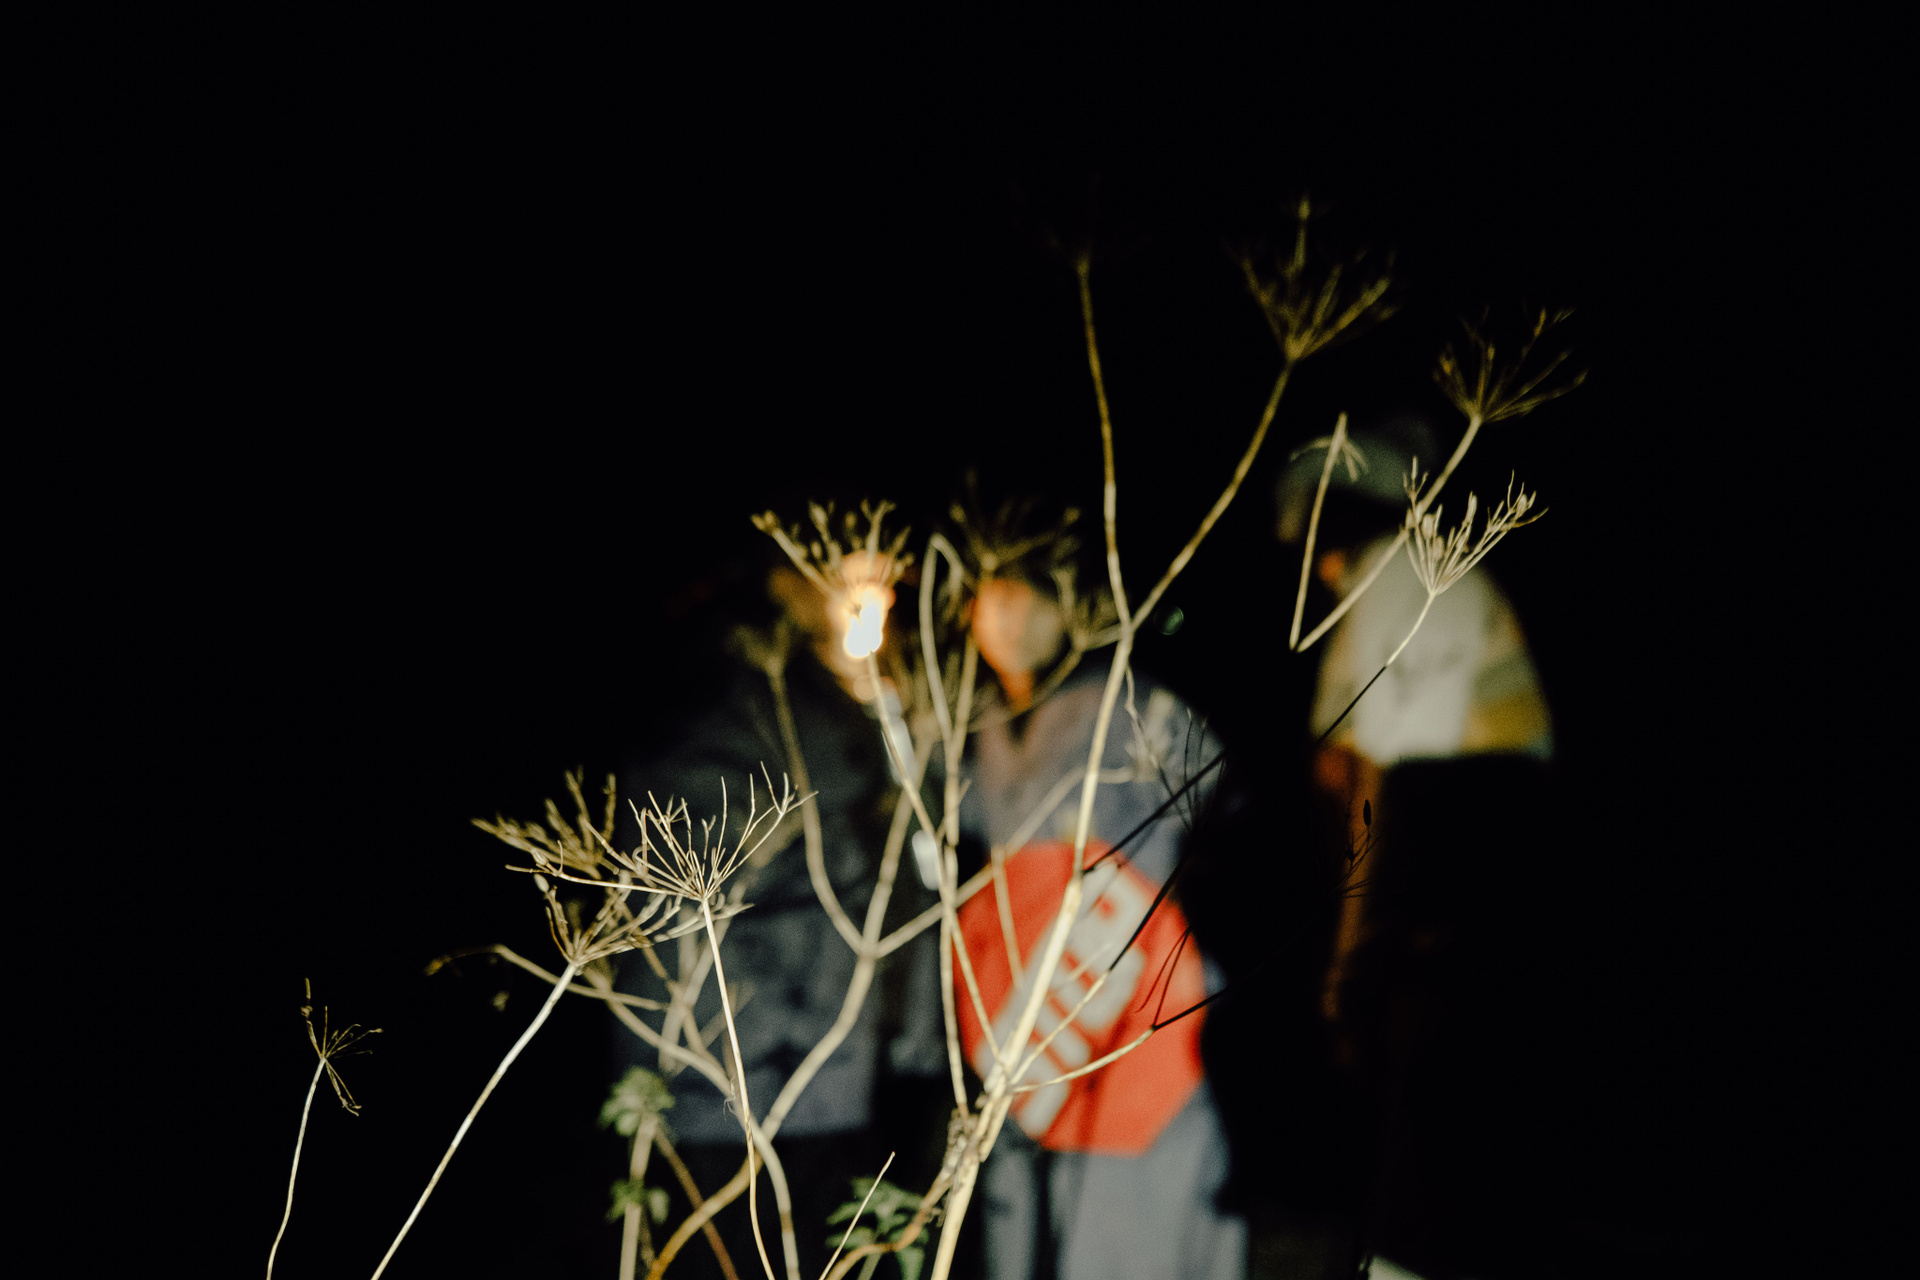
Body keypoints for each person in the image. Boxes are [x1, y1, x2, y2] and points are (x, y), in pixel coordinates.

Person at [609, 553, 949, 1279]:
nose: (876, 594)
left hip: (845, 1078)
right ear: (786, 580)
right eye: (849, 571)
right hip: (754, 1093)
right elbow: (688, 897)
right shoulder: (728, 699)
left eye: (885, 574)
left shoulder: (857, 696)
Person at [1279, 415, 1560, 1277]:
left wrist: (1348, 965)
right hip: (1435, 920)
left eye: (1311, 522)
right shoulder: (1385, 583)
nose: (1305, 553)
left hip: (1449, 923)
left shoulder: (1412, 576)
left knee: (1428, 1166)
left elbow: (1388, 791)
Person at [954, 565, 1248, 1280]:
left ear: (1071, 603)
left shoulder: (1136, 708)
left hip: (1133, 1005)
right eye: (992, 595)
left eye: (1030, 595)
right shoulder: (974, 724)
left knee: (1126, 1230)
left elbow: (1226, 829)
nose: (1009, 617)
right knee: (1022, 1225)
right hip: (1020, 1019)